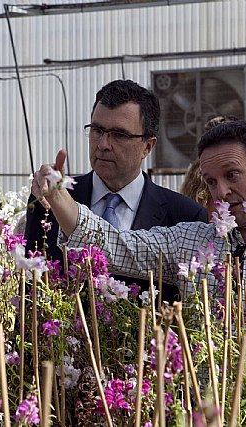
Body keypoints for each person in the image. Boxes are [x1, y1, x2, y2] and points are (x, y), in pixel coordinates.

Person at [32, 120, 246, 325]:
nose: (221, 192)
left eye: (232, 175)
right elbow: (116, 246)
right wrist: (60, 199)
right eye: (211, 181)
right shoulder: (191, 242)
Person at [24, 79, 208, 302]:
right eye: (97, 130)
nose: (103, 144)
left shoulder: (184, 216)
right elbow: (30, 291)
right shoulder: (53, 198)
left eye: (119, 135)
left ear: (147, 146)